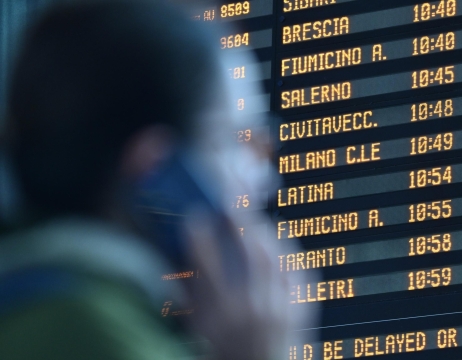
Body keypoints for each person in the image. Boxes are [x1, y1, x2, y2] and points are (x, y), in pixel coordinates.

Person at [0, 1, 314, 359]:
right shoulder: (94, 332)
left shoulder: (30, 293)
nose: (265, 180)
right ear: (155, 165)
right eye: (235, 140)